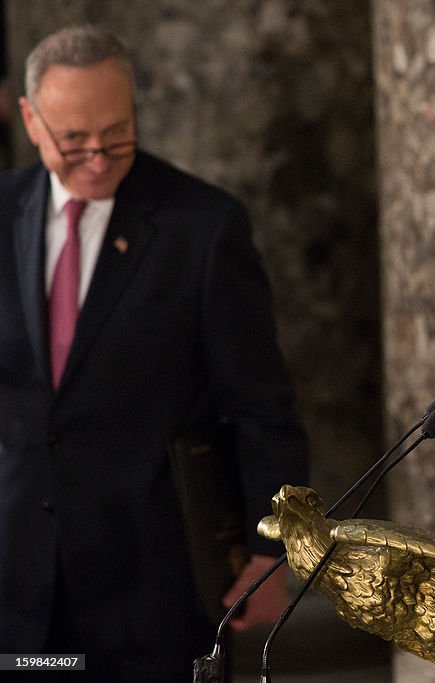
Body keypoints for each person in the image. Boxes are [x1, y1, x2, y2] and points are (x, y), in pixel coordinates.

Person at [0, 26, 308, 680]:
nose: (97, 156)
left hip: (151, 586)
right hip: (19, 581)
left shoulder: (203, 228)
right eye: (73, 138)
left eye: (116, 132)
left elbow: (261, 408)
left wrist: (271, 551)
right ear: (30, 119)